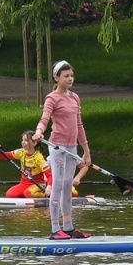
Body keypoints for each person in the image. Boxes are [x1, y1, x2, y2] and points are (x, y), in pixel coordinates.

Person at [34, 60, 91, 239]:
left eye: (72, 76)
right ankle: (54, 229)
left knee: (67, 186)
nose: (70, 79)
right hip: (57, 147)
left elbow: (79, 125)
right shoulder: (52, 98)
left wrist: (86, 151)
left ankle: (68, 227)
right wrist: (38, 132)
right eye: (66, 76)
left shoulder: (75, 98)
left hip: (72, 147)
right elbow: (45, 119)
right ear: (56, 78)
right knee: (58, 184)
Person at [0, 131, 52, 198]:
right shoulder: (21, 152)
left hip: (38, 185)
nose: (23, 142)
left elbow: (49, 175)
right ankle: (27, 195)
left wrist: (49, 188)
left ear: (34, 143)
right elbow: (4, 156)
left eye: (26, 140)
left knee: (28, 193)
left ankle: (45, 195)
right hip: (24, 184)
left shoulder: (39, 158)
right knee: (9, 194)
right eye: (22, 140)